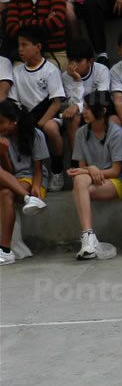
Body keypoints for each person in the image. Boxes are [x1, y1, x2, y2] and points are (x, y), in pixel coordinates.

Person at [67, 90, 122, 259]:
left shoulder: (115, 132)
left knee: (78, 189)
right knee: (79, 182)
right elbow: (81, 169)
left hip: (113, 181)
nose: (84, 111)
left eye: (88, 107)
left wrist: (91, 169)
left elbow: (116, 171)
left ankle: (88, 238)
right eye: (84, 107)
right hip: (90, 182)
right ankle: (88, 236)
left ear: (103, 110)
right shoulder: (81, 133)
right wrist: (89, 170)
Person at [11, 24, 65, 190]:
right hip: (27, 117)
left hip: (49, 116)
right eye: (19, 45)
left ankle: (57, 168)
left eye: (24, 45)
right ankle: (27, 172)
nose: (20, 49)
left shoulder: (50, 70)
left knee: (50, 128)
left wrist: (41, 122)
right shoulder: (17, 72)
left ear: (38, 47)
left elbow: (57, 102)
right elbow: (14, 102)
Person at [0, 99, 47, 265]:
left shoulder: (35, 134)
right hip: (11, 178)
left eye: (2, 122)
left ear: (14, 121)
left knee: (6, 194)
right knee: (6, 190)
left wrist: (36, 186)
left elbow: (38, 169)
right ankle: (28, 199)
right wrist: (3, 153)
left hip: (31, 177)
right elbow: (9, 172)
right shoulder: (1, 138)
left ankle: (5, 250)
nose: (0, 127)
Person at [61, 38, 110, 152]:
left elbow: (101, 99)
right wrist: (77, 80)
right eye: (71, 60)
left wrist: (78, 106)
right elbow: (73, 105)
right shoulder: (66, 76)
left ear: (90, 61)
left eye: (78, 61)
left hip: (99, 110)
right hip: (82, 113)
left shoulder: (102, 70)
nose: (74, 65)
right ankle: (76, 158)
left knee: (112, 119)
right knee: (73, 117)